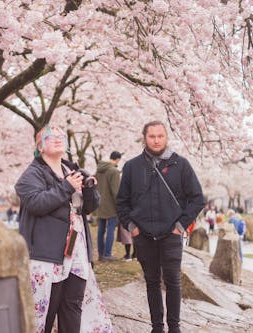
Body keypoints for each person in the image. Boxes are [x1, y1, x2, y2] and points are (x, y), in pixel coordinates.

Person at [15, 125, 112, 333]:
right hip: (47, 255)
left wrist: (90, 189)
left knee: (72, 306)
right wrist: (66, 186)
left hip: (76, 250)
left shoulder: (73, 170)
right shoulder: (31, 175)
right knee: (47, 310)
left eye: (61, 136)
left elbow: (89, 207)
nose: (58, 139)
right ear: (39, 146)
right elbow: (36, 203)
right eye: (50, 137)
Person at [116, 120, 205, 333]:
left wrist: (181, 226)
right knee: (152, 281)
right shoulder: (132, 166)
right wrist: (132, 227)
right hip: (143, 234)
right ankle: (157, 327)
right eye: (152, 136)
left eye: (160, 136)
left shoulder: (180, 164)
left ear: (166, 137)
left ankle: (174, 327)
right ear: (144, 138)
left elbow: (197, 198)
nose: (156, 140)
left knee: (173, 281)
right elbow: (121, 202)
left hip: (171, 233)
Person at [94, 151, 122, 261]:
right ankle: (107, 254)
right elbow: (116, 191)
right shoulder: (114, 171)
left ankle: (101, 254)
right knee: (110, 229)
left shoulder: (99, 170)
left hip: (99, 204)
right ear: (118, 159)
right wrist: (120, 206)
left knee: (101, 230)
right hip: (110, 206)